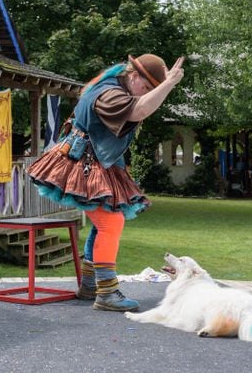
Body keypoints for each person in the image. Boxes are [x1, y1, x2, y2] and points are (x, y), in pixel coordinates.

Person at [28, 54, 185, 312]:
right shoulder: (109, 94)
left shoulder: (111, 85)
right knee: (111, 222)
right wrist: (169, 85)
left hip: (96, 161)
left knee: (106, 220)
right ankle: (107, 293)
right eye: (145, 87)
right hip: (85, 162)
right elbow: (140, 109)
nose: (145, 94)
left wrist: (162, 87)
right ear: (133, 76)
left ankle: (91, 285)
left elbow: (140, 105)